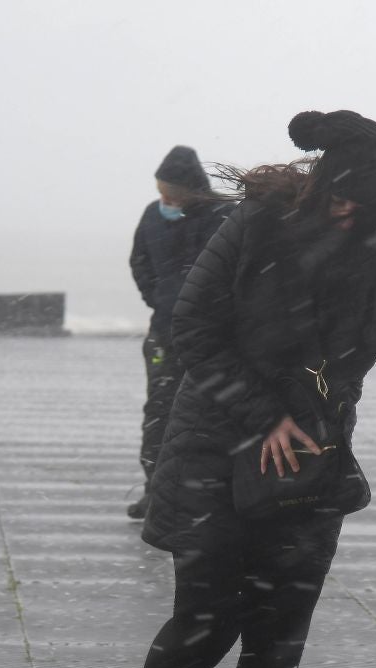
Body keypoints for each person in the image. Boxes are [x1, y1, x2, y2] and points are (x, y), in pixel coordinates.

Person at [92, 110, 376, 668]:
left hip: (312, 458)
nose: (348, 213)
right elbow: (193, 330)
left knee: (279, 637)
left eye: (364, 205)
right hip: (216, 444)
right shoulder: (256, 224)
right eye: (339, 198)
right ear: (318, 184)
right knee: (207, 618)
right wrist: (262, 418)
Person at [126, 145, 234, 519]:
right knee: (159, 412)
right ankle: (154, 492)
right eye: (160, 193)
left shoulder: (225, 216)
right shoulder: (151, 216)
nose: (164, 200)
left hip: (212, 340)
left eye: (171, 194)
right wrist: (159, 300)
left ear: (192, 189)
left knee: (210, 418)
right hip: (163, 334)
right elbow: (139, 262)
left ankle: (207, 496)